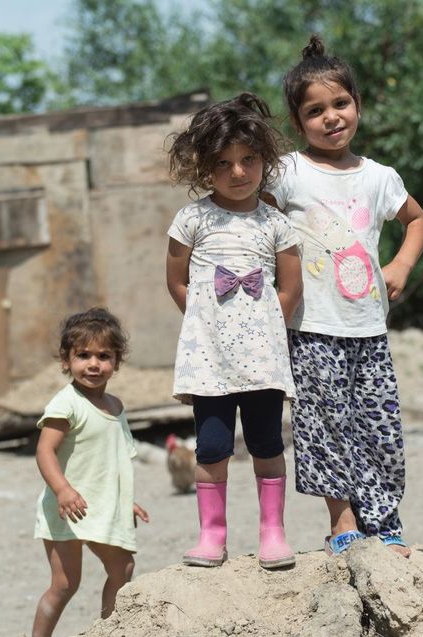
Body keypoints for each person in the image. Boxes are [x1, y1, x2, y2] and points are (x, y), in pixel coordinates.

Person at [263, 34, 423, 559]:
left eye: (341, 103)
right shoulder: (288, 172)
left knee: (379, 424)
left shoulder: (379, 178)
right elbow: (258, 223)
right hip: (311, 327)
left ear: (357, 105)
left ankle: (385, 520)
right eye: (316, 110)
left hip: (367, 326)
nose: (331, 117)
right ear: (297, 123)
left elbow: (417, 220)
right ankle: (343, 522)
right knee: (326, 425)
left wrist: (401, 263)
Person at [165, 92, 303, 570]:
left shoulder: (277, 224)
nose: (238, 172)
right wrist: (208, 322)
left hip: (263, 359)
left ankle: (273, 532)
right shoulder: (192, 219)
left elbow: (289, 289)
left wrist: (263, 325)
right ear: (204, 167)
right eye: (223, 163)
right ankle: (212, 535)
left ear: (264, 160)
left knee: (267, 443)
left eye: (248, 160)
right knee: (213, 446)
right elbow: (177, 282)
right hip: (210, 360)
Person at [31, 308, 149, 637]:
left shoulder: (116, 406)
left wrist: (126, 500)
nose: (93, 364)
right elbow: (44, 451)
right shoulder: (65, 403)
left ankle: (109, 630)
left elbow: (111, 461)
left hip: (102, 505)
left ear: (117, 362)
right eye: (83, 355)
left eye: (103, 356)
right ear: (66, 361)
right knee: (65, 584)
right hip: (67, 508)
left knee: (123, 568)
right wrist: (62, 490)